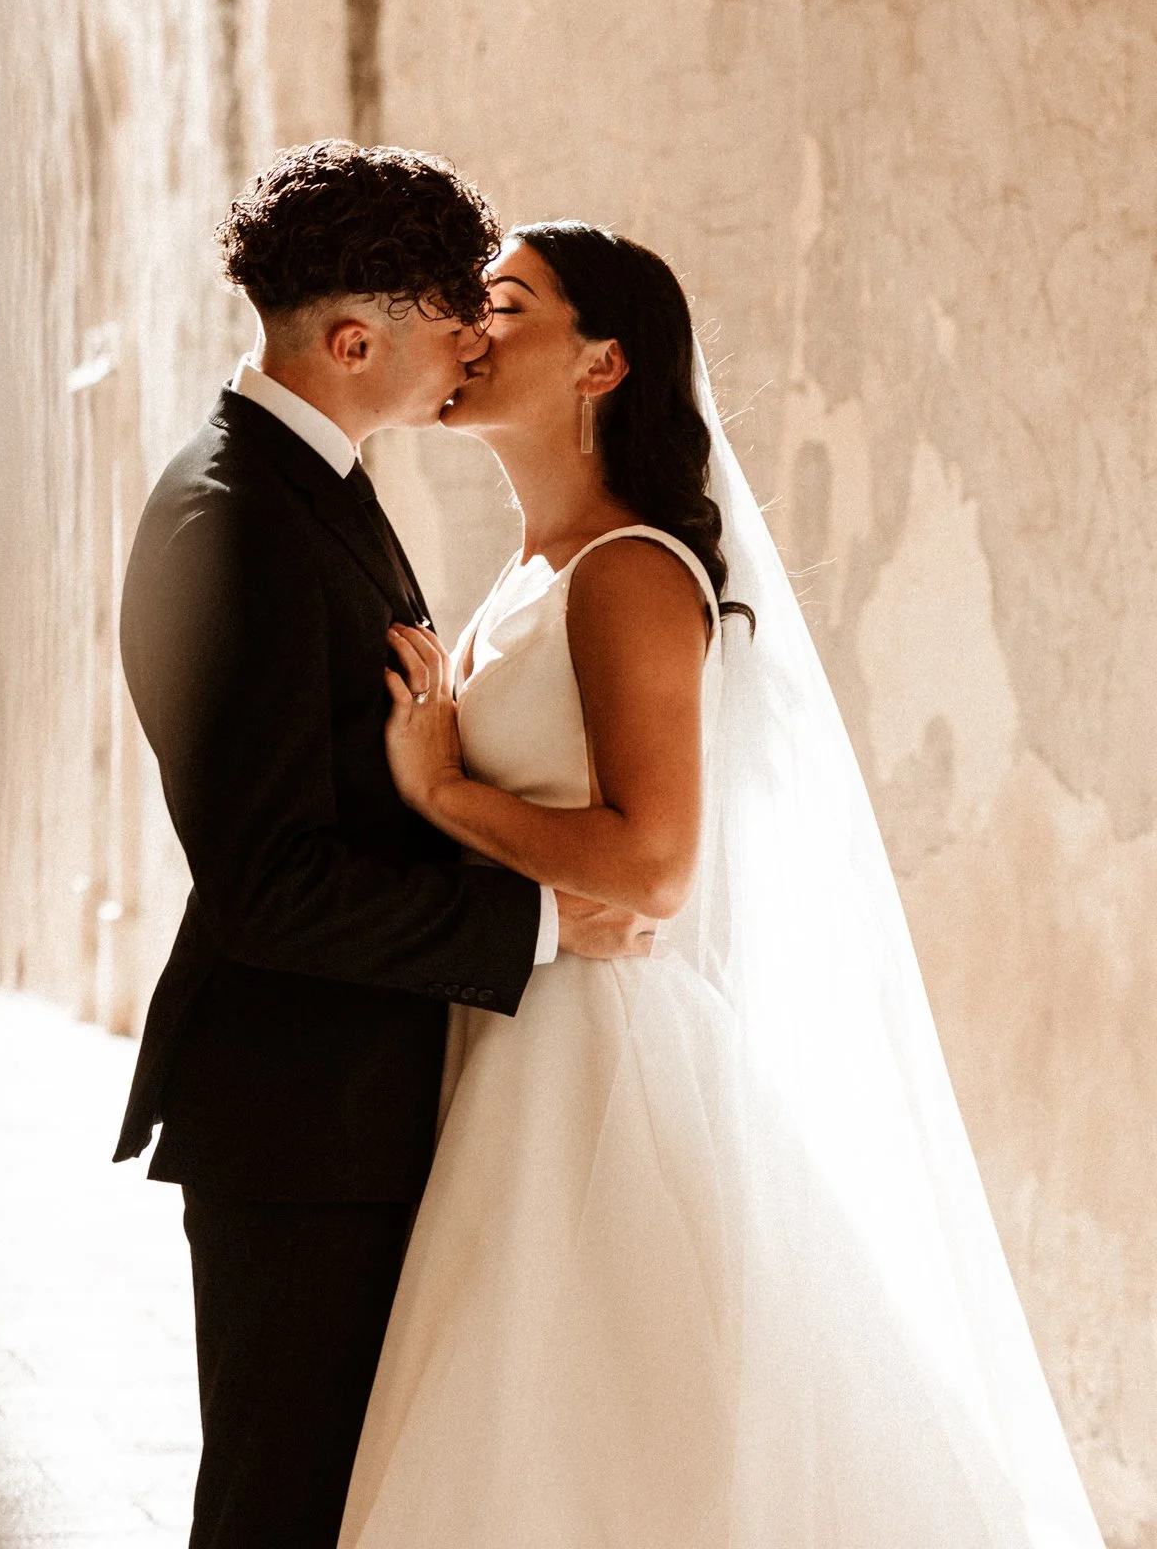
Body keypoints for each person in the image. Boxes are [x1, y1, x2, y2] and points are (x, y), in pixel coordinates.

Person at [339, 222, 1106, 1549]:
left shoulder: (628, 571)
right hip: (510, 1042)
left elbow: (654, 865)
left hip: (600, 1068)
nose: (471, 327)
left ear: (604, 363)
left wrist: (445, 793)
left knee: (616, 1450)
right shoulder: (531, 573)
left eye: (506, 303)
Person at [112, 148, 646, 1549]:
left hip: (360, 1090)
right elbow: (269, 884)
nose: (473, 352)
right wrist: (542, 925)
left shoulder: (316, 485)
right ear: (356, 340)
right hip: (297, 1112)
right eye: (454, 327)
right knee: (279, 1503)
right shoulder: (230, 521)